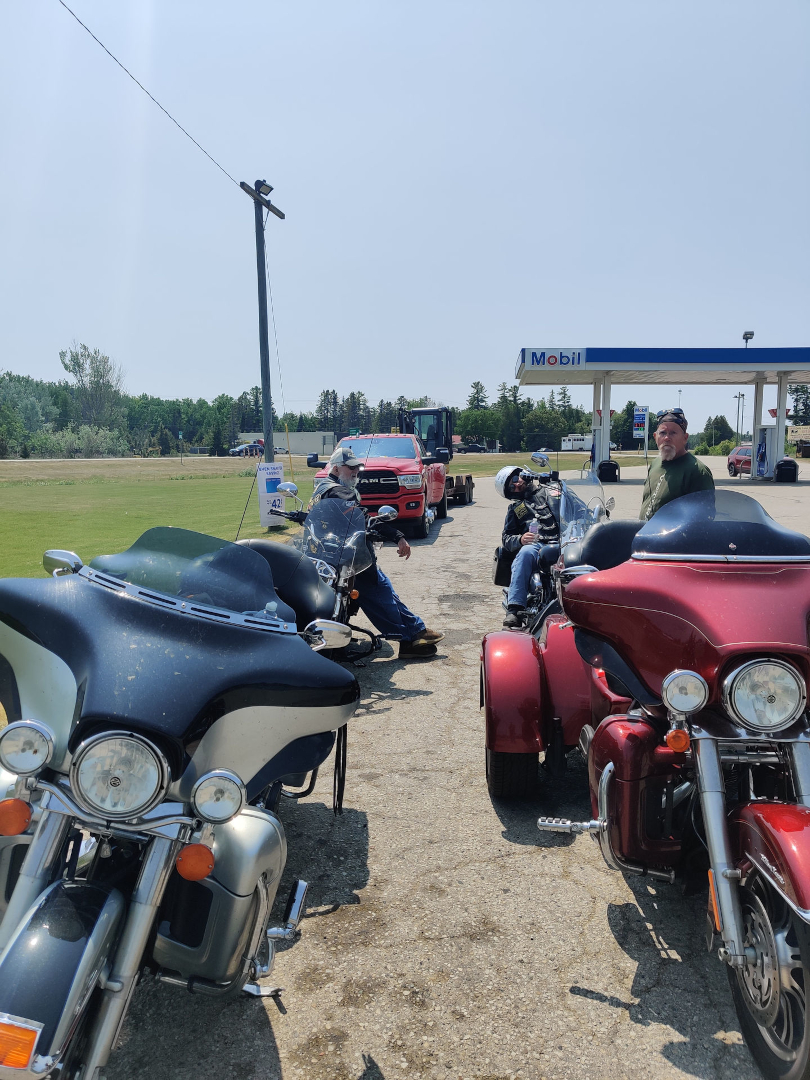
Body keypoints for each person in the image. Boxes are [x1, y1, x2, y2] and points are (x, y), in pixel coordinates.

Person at [311, 446, 444, 658]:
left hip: (335, 555)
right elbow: (363, 518)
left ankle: (416, 629)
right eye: (350, 468)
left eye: (357, 468)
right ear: (336, 469)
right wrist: (396, 535)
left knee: (385, 588)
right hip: (347, 559)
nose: (356, 472)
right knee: (380, 592)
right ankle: (408, 638)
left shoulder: (322, 489)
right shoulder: (338, 492)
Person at [495, 466, 560, 628]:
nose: (517, 485)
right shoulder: (517, 508)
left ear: (521, 474)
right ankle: (515, 608)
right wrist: (521, 539)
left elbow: (579, 508)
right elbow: (506, 538)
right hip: (538, 545)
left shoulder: (554, 491)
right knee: (525, 553)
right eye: (512, 487)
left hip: (566, 538)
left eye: (515, 479)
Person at [640, 409, 715, 521]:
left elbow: (705, 518)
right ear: (655, 436)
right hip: (644, 531)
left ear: (685, 438)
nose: (667, 438)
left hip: (675, 533)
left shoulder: (697, 471)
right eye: (663, 433)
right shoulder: (655, 464)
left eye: (673, 433)